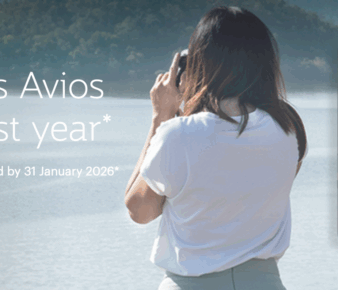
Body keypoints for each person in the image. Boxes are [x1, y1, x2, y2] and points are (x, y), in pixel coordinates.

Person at [123, 6, 307, 290]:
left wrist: (160, 118)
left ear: (199, 64)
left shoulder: (177, 135)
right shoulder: (289, 127)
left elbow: (140, 211)